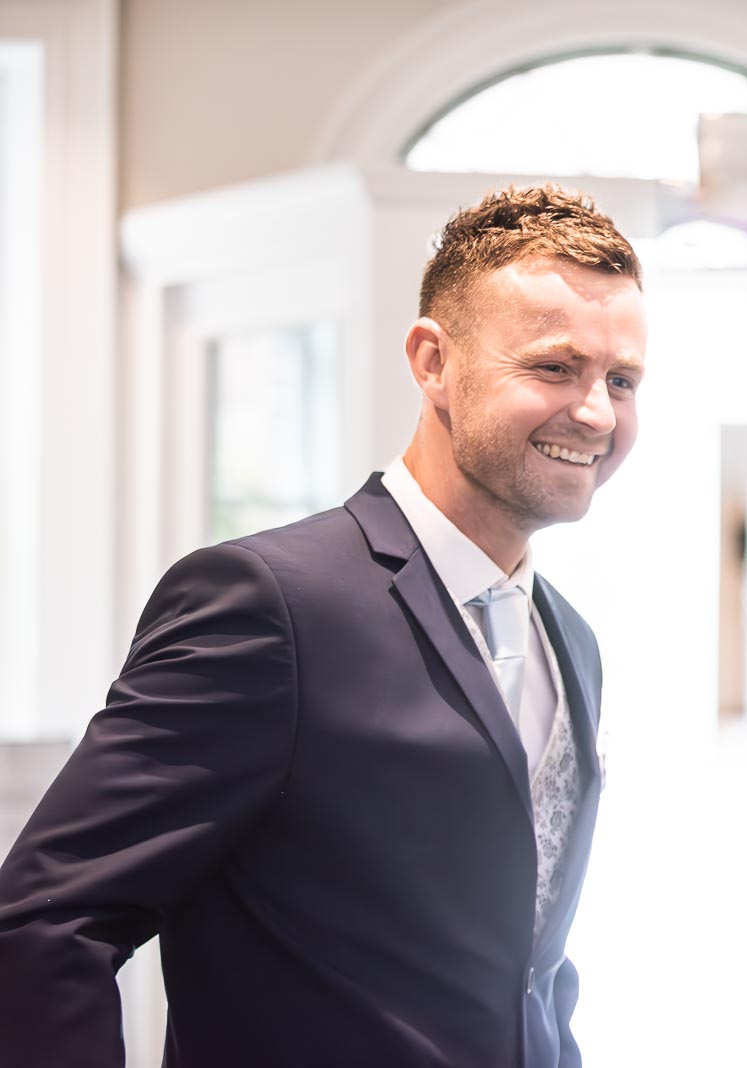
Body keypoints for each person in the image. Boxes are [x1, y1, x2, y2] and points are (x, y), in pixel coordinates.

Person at [0, 184, 646, 1066]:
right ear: (432, 361)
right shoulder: (270, 606)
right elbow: (45, 925)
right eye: (552, 368)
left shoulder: (571, 641)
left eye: (622, 380)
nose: (597, 413)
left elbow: (528, 969)